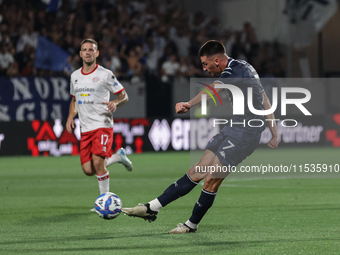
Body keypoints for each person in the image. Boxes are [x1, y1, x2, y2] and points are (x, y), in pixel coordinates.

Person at [122, 40, 279, 233]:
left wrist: (189, 103)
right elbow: (263, 98)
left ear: (217, 60)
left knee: (212, 179)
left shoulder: (233, 70)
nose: (204, 69)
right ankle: (151, 208)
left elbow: (214, 88)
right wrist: (274, 131)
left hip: (246, 133)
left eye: (205, 64)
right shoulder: (244, 67)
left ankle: (191, 225)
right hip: (234, 127)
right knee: (198, 170)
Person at [66, 38, 133, 204]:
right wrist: (70, 116)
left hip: (103, 125)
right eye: (85, 50)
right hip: (85, 128)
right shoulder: (74, 76)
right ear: (80, 54)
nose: (88, 52)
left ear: (97, 53)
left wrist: (115, 102)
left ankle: (105, 201)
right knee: (88, 170)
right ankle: (117, 157)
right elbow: (74, 100)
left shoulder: (105, 74)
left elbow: (124, 96)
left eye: (91, 49)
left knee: (97, 162)